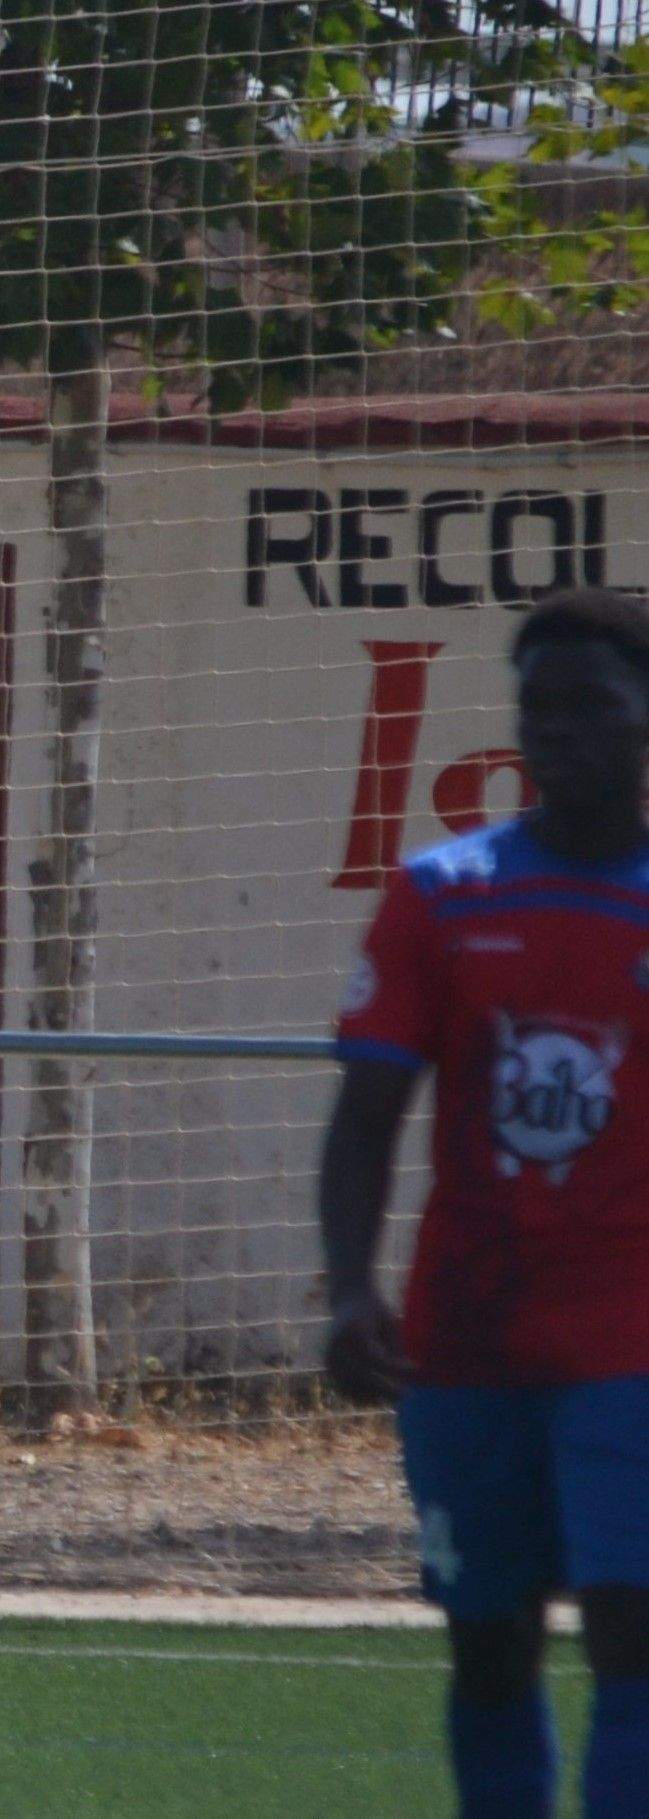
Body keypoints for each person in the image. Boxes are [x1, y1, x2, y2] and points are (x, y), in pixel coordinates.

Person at [322, 587, 649, 1818]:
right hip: (467, 1340)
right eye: (537, 707)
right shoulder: (443, 894)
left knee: (633, 1628)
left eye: (591, 705)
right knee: (490, 1640)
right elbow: (366, 1117)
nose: (557, 728)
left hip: (631, 1341)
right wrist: (352, 1285)